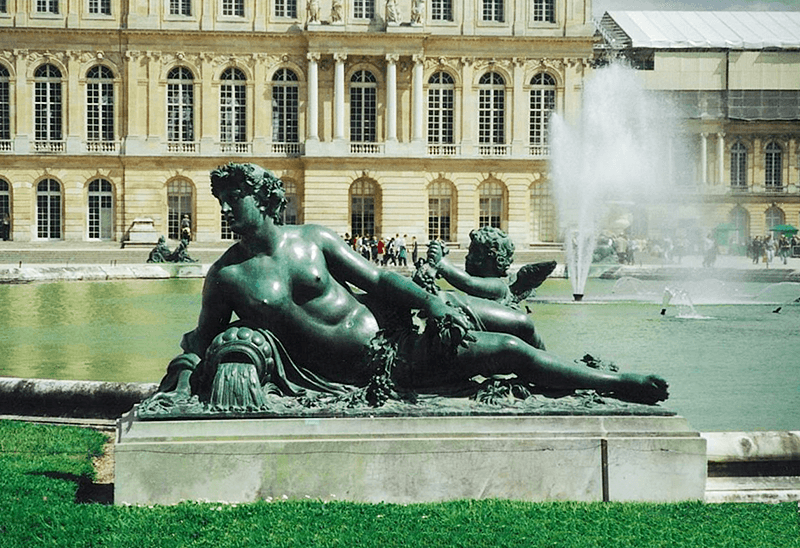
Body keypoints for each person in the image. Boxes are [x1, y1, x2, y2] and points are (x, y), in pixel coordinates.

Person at [153, 163, 668, 406]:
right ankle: (615, 386)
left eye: (233, 196)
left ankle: (548, 383)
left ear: (263, 200)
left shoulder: (312, 239)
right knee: (509, 347)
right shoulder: (224, 277)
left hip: (391, 323)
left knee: (516, 323)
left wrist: (432, 302)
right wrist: (181, 375)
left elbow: (376, 276)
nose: (224, 207)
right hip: (373, 364)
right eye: (220, 198)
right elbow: (202, 337)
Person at [413, 227, 554, 350]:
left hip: (510, 339)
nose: (468, 257)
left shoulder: (498, 286)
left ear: (492, 259)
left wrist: (442, 263)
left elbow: (467, 282)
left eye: (474, 253)